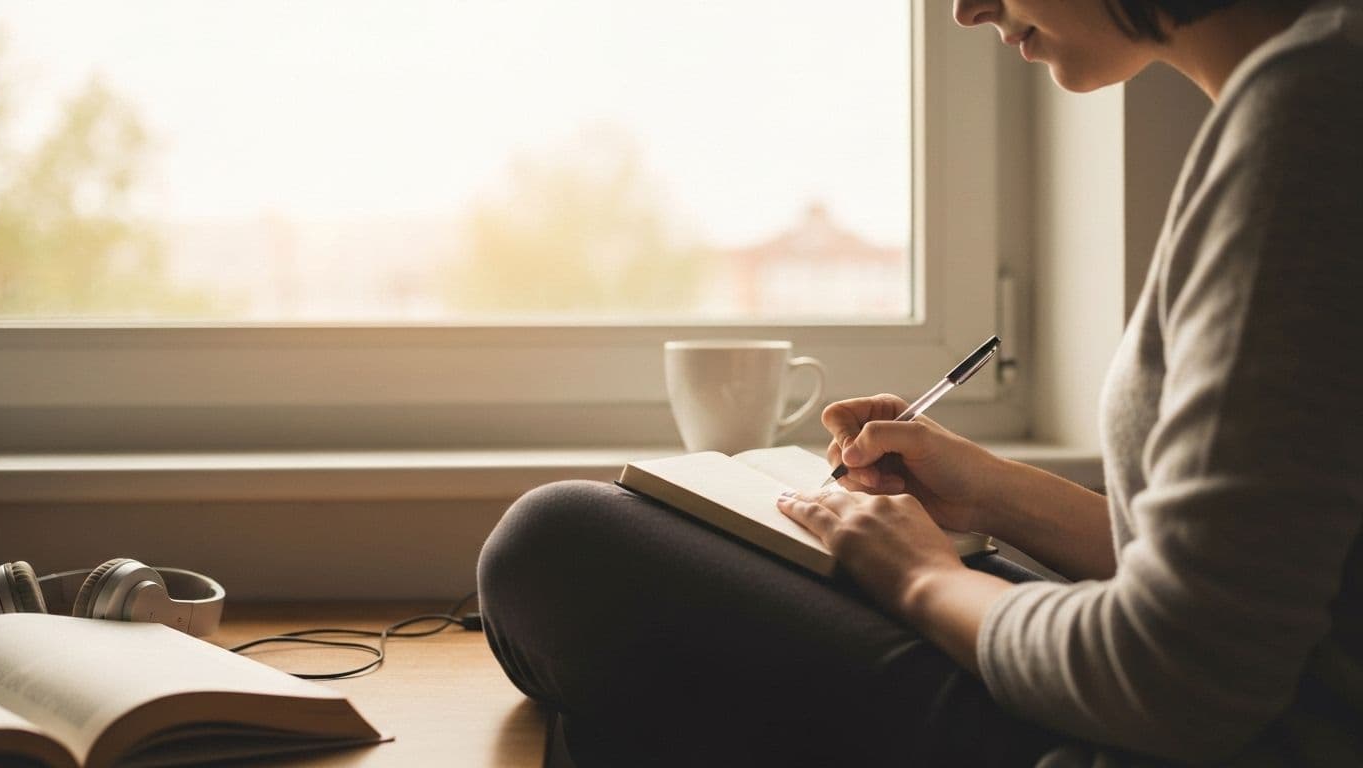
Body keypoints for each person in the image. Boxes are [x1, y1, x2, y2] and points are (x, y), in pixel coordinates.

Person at [477, 0, 1363, 764]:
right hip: (1235, 715)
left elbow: (1185, 678)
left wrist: (921, 583)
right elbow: (1262, 584)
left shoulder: (1309, 120)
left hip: (1184, 744)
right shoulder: (1306, 91)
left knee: (556, 547)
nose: (965, 10)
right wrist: (987, 492)